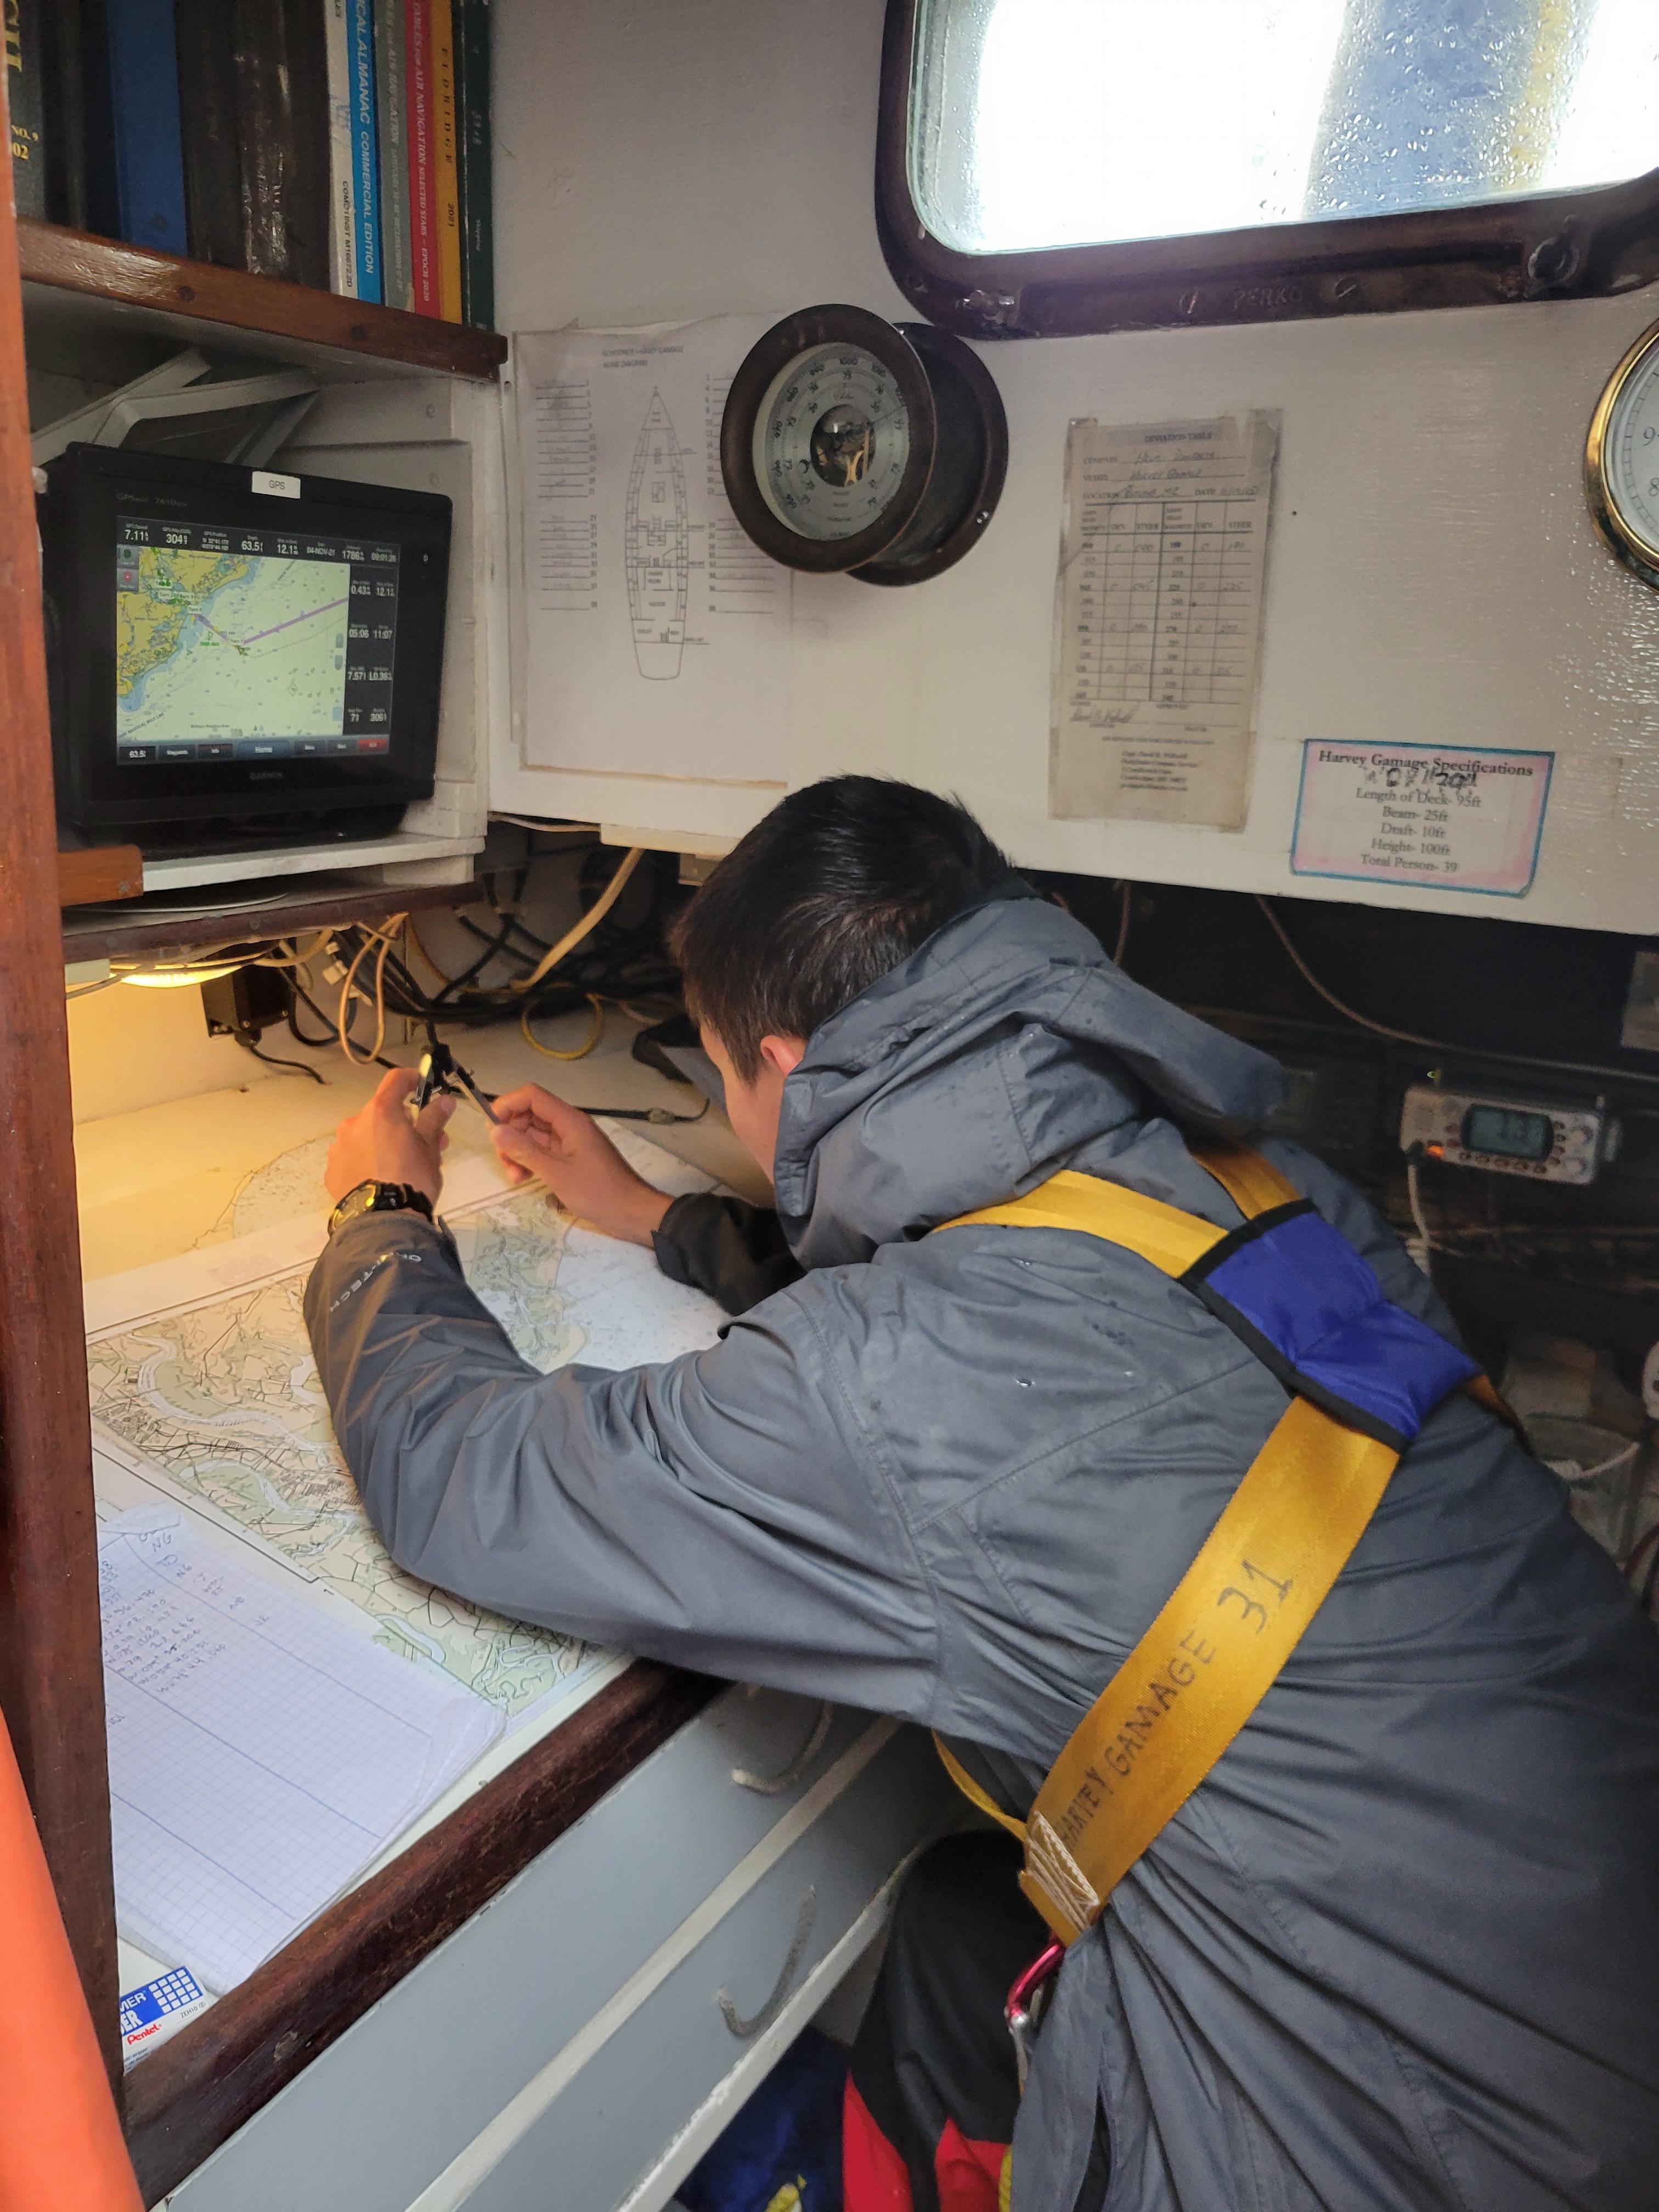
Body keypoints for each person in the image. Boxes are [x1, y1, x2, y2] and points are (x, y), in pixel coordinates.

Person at [308, 777, 1659, 2212]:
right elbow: (1045, 1330)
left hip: (1409, 2156)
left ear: (779, 1060)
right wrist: (655, 1216)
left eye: (721, 1079)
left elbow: (460, 1474)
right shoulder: (1265, 1183)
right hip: (1591, 1984)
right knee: (956, 1923)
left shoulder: (897, 1382)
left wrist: (377, 1214)